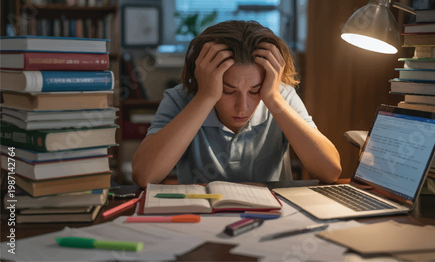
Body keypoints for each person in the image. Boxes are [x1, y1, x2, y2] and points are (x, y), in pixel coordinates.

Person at [132, 20, 341, 187]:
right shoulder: (181, 98)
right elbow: (144, 176)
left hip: (273, 218)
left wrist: (274, 100)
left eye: (255, 90)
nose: (242, 107)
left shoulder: (280, 96)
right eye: (228, 91)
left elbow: (330, 171)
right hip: (200, 218)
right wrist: (205, 97)